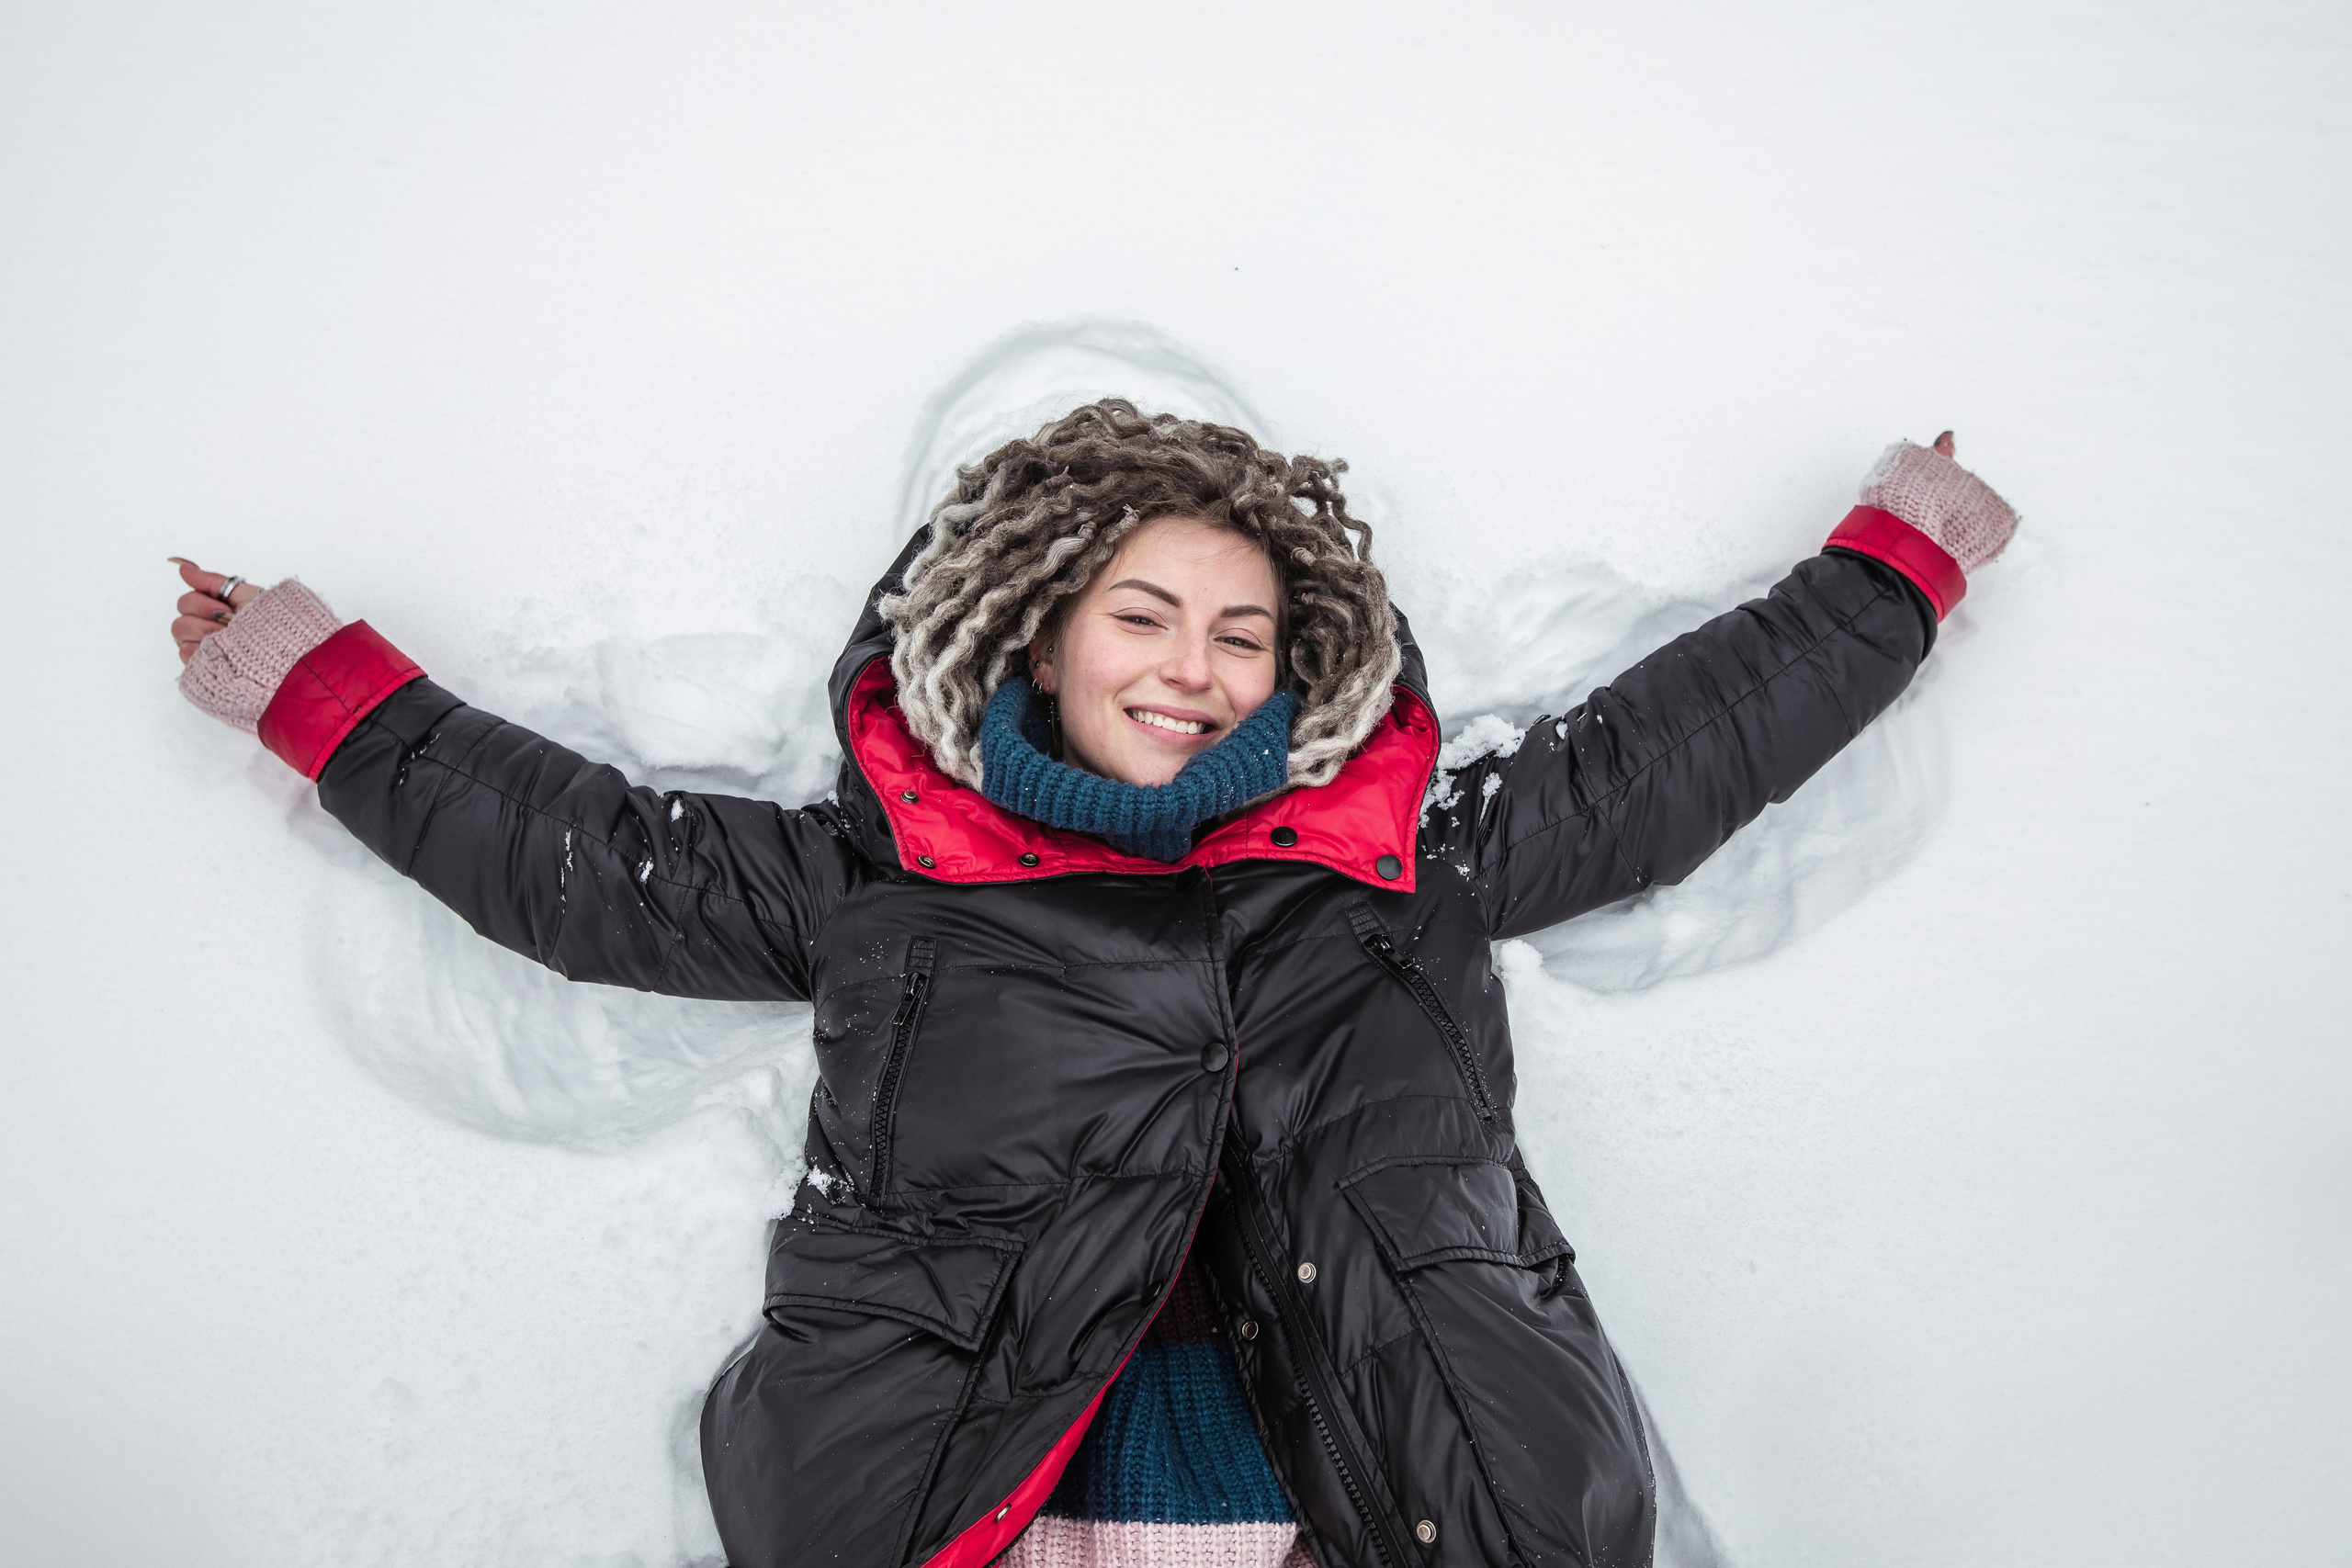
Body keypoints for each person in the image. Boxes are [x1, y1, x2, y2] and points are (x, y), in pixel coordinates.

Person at [170, 400, 2017, 1568]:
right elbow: (590, 864)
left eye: (1241, 635)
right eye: (1142, 617)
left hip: (1402, 1490)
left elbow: (1663, 758)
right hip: (964, 1504)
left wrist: (1894, 566)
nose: (1192, 670)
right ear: (1038, 640)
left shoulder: (1396, 860)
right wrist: (320, 692)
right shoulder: (893, 880)